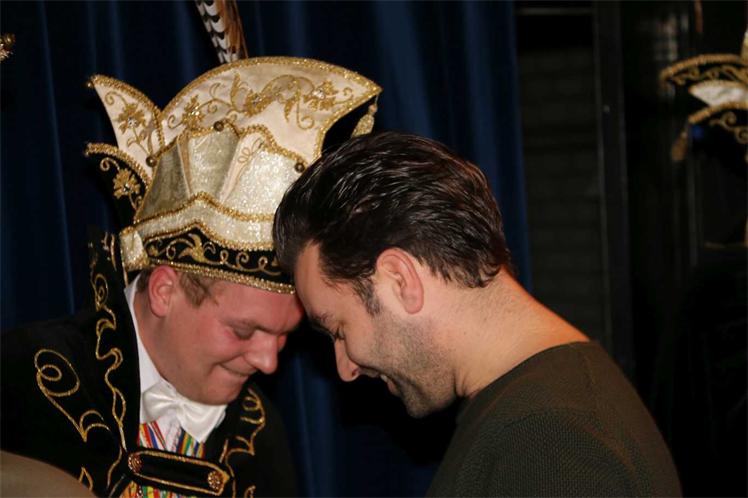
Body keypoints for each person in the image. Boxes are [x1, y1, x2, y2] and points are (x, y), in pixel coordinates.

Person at [1, 57, 381, 497]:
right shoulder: (23, 381)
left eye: (283, 337)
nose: (269, 362)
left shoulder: (260, 433)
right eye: (244, 330)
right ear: (164, 291)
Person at [273, 131, 682, 497]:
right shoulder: (537, 417)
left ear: (400, 280)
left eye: (338, 329)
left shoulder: (554, 439)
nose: (345, 368)